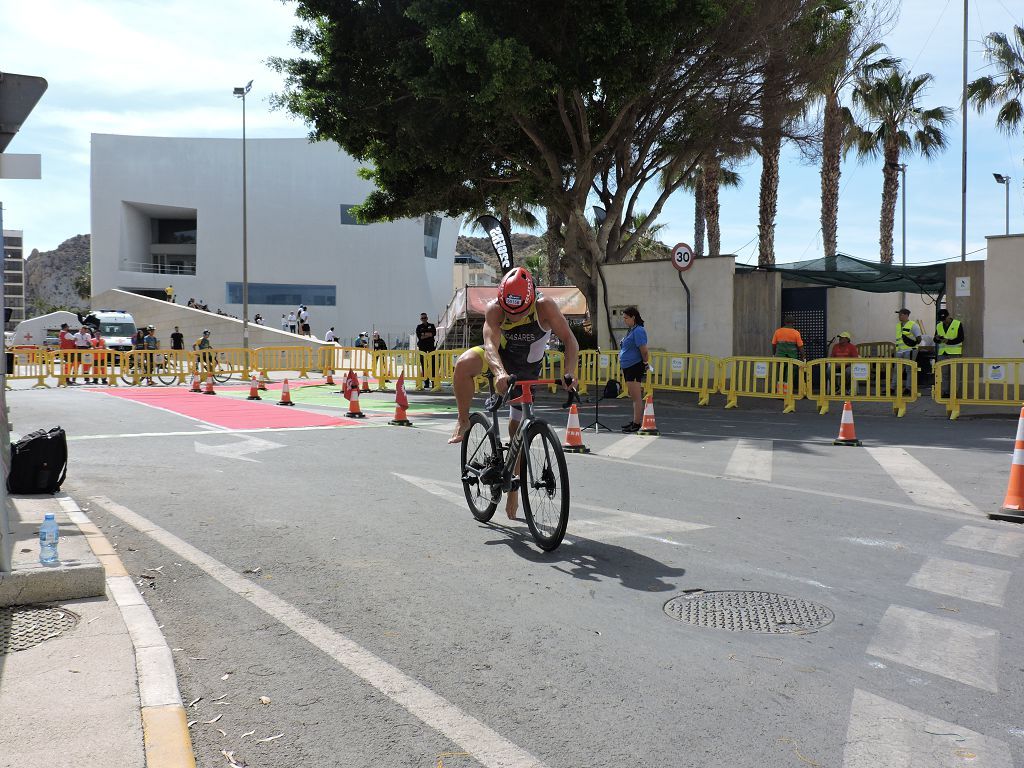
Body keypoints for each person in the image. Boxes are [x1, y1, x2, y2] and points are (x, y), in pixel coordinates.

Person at [448, 266, 579, 520]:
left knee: (516, 430)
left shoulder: (545, 307)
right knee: (463, 365)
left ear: (530, 300)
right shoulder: (495, 309)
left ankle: (513, 490)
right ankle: (464, 420)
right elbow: (489, 345)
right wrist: (498, 373)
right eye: (509, 312)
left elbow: (570, 340)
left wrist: (570, 372)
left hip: (527, 369)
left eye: (519, 313)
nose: (514, 317)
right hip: (499, 360)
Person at [618, 307, 651, 432]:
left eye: (626, 318)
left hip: (634, 366)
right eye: (624, 318)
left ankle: (637, 423)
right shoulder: (631, 330)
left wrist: (645, 363)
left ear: (633, 317)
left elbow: (644, 350)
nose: (624, 320)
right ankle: (635, 421)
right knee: (633, 396)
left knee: (636, 397)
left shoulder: (638, 331)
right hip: (628, 366)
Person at [933, 308, 963, 398]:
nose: (943, 322)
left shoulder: (957, 324)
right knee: (944, 374)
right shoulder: (939, 325)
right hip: (942, 353)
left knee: (954, 374)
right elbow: (935, 339)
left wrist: (948, 341)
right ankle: (946, 392)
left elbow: (961, 338)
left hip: (954, 353)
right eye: (941, 320)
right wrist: (937, 339)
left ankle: (953, 393)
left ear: (948, 316)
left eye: (944, 319)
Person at [893, 308, 922, 394]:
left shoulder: (914, 325)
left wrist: (911, 342)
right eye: (899, 314)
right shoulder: (898, 325)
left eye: (901, 314)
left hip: (910, 350)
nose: (899, 316)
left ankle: (908, 388)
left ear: (906, 315)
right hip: (899, 351)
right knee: (896, 369)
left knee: (909, 369)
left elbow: (919, 339)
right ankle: (892, 387)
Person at [416, 312, 437, 389]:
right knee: (424, 365)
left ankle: (434, 382)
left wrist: (424, 334)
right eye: (422, 318)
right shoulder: (419, 327)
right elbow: (420, 337)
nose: (424, 319)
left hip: (431, 348)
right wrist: (428, 334)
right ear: (420, 319)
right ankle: (426, 382)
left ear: (427, 318)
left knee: (433, 365)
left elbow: (433, 333)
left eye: (425, 318)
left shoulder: (431, 325)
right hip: (422, 348)